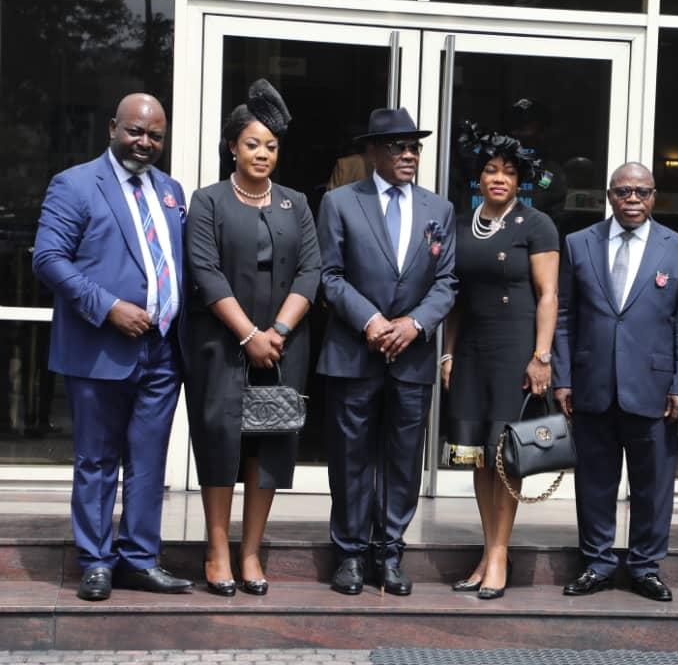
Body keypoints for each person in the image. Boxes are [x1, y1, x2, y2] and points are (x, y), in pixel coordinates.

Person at [32, 93, 193, 601]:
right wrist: (108, 307)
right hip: (100, 346)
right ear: (112, 128)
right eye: (136, 131)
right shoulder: (76, 184)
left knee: (148, 462)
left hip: (162, 351)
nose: (145, 143)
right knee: (97, 460)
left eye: (155, 136)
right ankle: (97, 561)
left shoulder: (170, 190)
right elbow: (48, 259)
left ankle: (140, 560)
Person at [184, 80, 321, 597]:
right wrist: (248, 335)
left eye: (270, 145)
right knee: (220, 441)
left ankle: (251, 551)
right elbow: (205, 271)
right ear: (232, 147)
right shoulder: (209, 201)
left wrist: (279, 330)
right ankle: (218, 547)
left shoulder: (296, 203)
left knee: (269, 441)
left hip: (283, 345)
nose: (262, 153)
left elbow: (311, 270)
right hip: (221, 341)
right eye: (251, 144)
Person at [317, 107, 457, 596]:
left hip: (412, 356)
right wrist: (372, 320)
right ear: (372, 152)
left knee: (402, 459)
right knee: (351, 458)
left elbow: (447, 281)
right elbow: (328, 276)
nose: (408, 154)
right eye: (397, 146)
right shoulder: (339, 203)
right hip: (354, 352)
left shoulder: (438, 210)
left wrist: (415, 324)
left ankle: (390, 553)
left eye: (414, 146)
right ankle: (351, 554)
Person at [553, 162, 678, 602]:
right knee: (594, 480)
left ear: (654, 197)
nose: (632, 199)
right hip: (591, 383)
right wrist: (562, 377)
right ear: (609, 196)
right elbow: (564, 317)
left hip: (654, 388)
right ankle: (597, 562)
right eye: (622, 192)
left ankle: (644, 566)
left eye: (641, 191)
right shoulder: (579, 244)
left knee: (652, 483)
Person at [440, 123, 559, 600]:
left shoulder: (536, 224)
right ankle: (486, 550)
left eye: (508, 173)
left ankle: (499, 556)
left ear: (519, 180)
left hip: (516, 349)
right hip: (470, 348)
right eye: (490, 170)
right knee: (480, 459)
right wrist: (447, 353)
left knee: (506, 457)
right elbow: (454, 298)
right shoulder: (460, 223)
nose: (498, 178)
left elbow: (549, 295)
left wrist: (542, 356)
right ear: (479, 177)